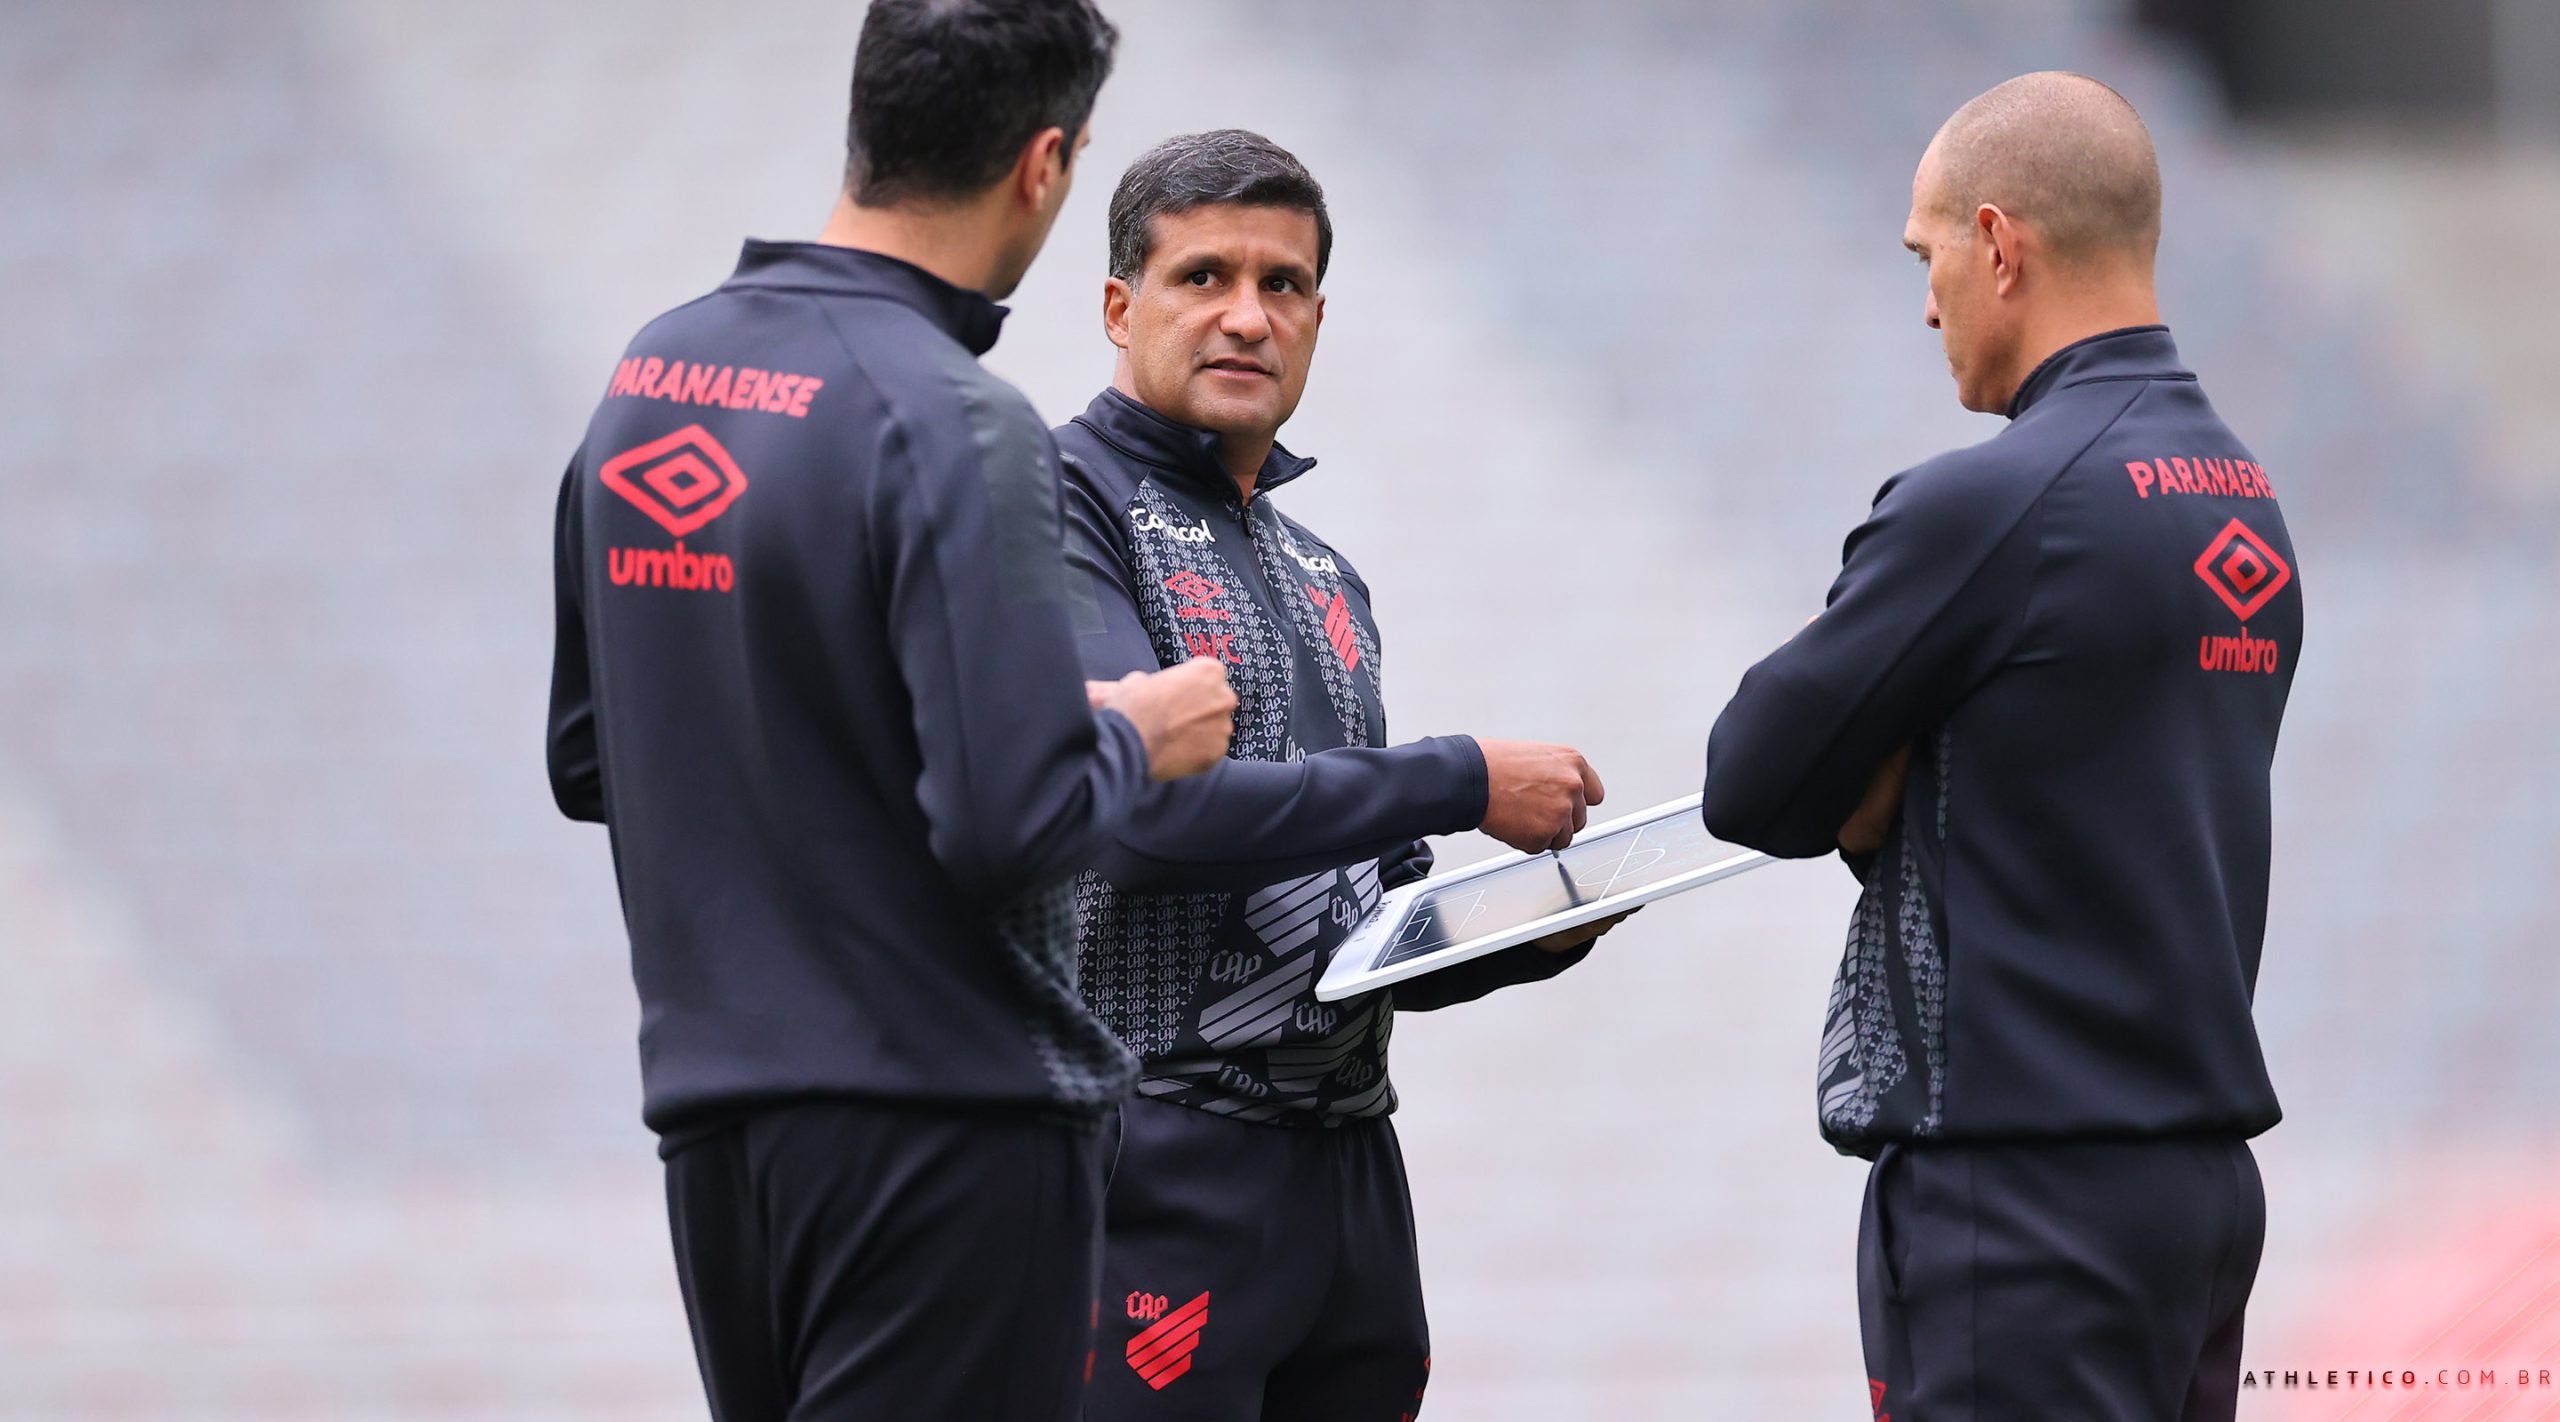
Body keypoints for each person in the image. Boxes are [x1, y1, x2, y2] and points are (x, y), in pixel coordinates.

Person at [543, 3, 1240, 1417]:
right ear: (1046, 164)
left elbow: (590, 754)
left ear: (867, 118)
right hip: (948, 1128)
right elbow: (1011, 816)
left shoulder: (650, 378)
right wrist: (1133, 734)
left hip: (720, 1127)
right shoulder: (951, 414)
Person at [1702, 73, 2302, 1422]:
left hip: (2024, 1196)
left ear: (2001, 243)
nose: (1927, 301)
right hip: (2192, 1191)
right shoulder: (2244, 500)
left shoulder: (1991, 504)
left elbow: (1752, 780)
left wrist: (1878, 779)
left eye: (1930, 257)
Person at [1054, 129, 1623, 1420]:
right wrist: (1462, 773)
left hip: (1352, 1176)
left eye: (1285, 284)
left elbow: (1361, 925)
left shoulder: (1328, 574)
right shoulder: (1055, 494)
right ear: (1116, 305)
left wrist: (1536, 926)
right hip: (1148, 1158)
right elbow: (1131, 812)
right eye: (1204, 276)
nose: (1248, 316)